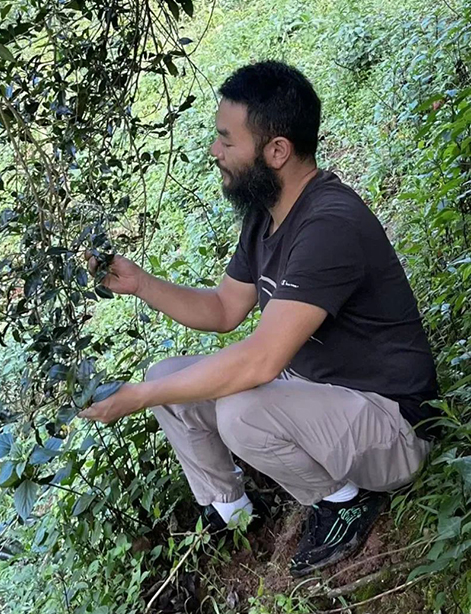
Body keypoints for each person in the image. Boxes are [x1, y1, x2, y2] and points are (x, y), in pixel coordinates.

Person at [79, 60, 440, 577]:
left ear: (276, 150)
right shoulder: (266, 214)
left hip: (393, 427)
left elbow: (261, 361)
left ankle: (343, 501)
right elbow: (225, 309)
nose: (214, 152)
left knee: (240, 411)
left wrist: (137, 400)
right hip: (323, 399)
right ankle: (233, 512)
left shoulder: (329, 224)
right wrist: (142, 284)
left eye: (227, 140)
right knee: (165, 377)